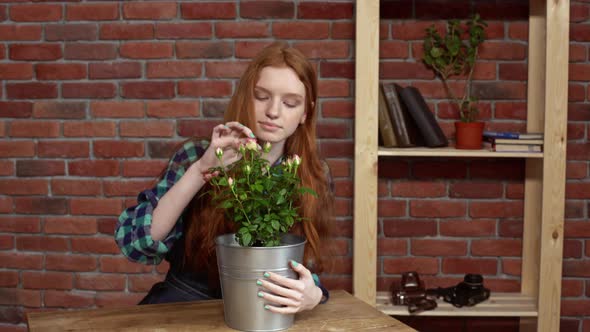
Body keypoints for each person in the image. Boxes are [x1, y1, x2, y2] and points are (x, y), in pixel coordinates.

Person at [114, 41, 335, 314]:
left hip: (263, 311)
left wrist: (313, 293)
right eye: (262, 96)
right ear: (245, 96)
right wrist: (201, 170)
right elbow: (136, 243)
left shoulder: (313, 174)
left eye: (290, 103)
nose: (274, 112)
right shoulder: (196, 155)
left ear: (305, 112)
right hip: (187, 306)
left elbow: (302, 266)